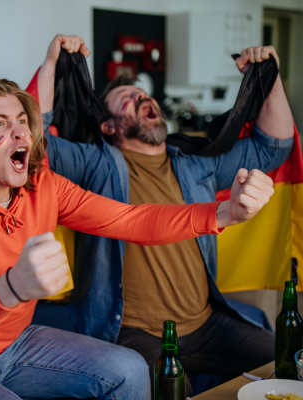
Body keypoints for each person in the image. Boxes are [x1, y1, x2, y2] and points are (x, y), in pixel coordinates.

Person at [0, 77, 274, 399]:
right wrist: (12, 287)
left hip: (19, 343)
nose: (19, 133)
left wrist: (223, 213)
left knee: (129, 370)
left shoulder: (43, 185)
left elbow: (130, 219)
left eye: (21, 121)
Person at [30, 34, 295, 392]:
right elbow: (33, 143)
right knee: (172, 391)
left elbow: (274, 148)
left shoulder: (195, 163)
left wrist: (271, 76)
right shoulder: (96, 163)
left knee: (287, 362)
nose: (142, 97)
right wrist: (50, 66)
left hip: (207, 323)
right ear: (108, 127)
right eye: (128, 99)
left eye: (144, 95)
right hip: (131, 329)